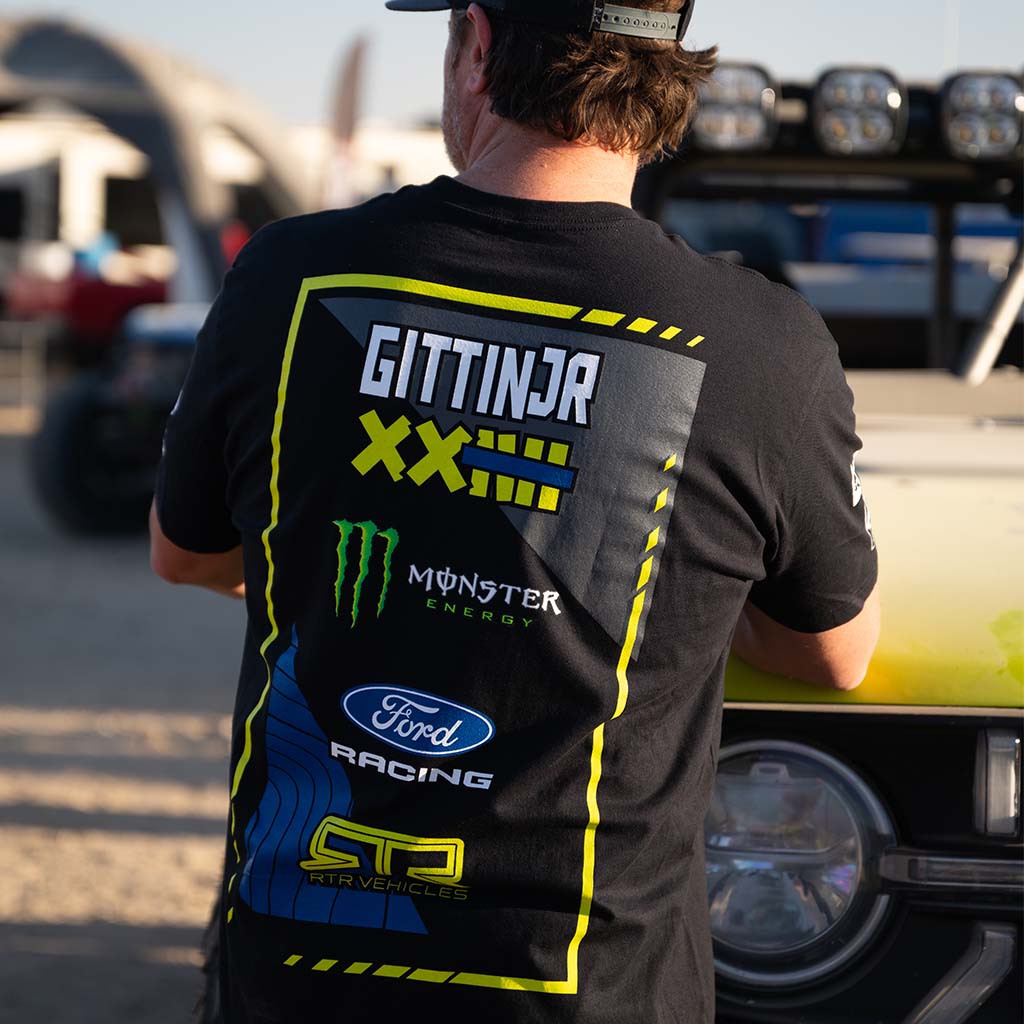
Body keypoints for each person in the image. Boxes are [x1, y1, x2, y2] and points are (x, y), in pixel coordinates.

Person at [150, 1, 881, 1021]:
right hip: (587, 986)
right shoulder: (763, 347)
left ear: (480, 47)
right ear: (668, 67)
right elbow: (834, 651)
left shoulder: (288, 276)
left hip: (304, 973)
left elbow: (187, 553)